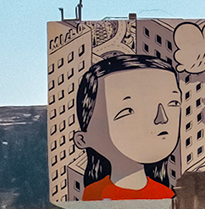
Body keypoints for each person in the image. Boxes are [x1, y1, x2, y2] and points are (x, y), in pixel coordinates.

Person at [77, 53, 181, 200]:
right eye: (128, 110)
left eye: (174, 103)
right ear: (82, 139)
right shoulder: (94, 193)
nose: (161, 118)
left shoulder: (164, 194)